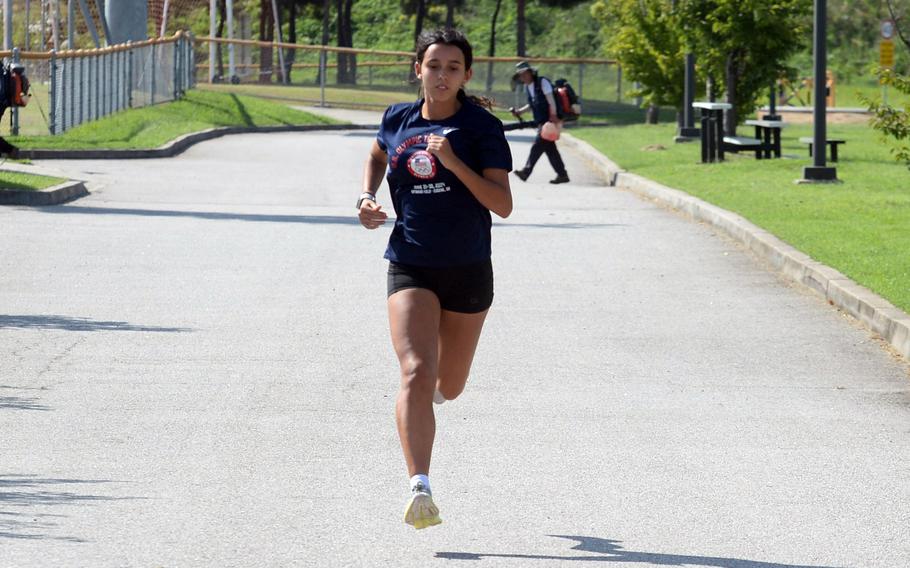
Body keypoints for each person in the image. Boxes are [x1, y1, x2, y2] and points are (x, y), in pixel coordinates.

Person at [357, 28, 513, 530]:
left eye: (452, 67)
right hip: (411, 261)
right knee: (415, 372)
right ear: (417, 69)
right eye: (433, 65)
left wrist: (453, 163)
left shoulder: (481, 128)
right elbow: (380, 154)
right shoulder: (397, 118)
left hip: (467, 268)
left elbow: (502, 205)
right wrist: (365, 197)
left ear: (466, 75)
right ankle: (419, 485)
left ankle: (436, 396)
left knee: (450, 385)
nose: (441, 75)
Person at [509, 61, 570, 185]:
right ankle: (562, 174)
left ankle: (526, 171)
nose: (523, 77)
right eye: (520, 75)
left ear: (531, 73)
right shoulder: (528, 87)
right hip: (542, 121)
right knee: (550, 149)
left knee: (538, 145)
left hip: (549, 121)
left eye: (525, 73)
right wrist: (520, 111)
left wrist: (553, 115)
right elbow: (532, 104)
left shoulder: (542, 82)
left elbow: (550, 99)